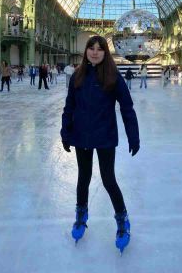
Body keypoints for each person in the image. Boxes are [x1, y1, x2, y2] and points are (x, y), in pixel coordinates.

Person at [60, 35, 140, 252]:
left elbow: (127, 107)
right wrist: (65, 132)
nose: (95, 52)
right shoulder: (77, 76)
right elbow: (69, 107)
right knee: (83, 178)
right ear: (86, 51)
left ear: (105, 52)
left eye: (99, 49)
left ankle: (122, 219)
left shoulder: (113, 76)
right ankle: (81, 215)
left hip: (104, 137)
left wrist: (133, 135)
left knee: (108, 180)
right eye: (91, 48)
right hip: (82, 136)